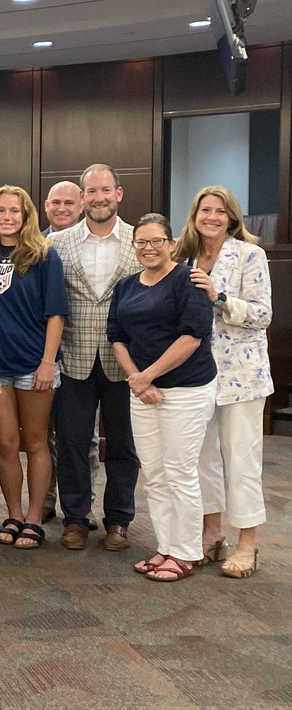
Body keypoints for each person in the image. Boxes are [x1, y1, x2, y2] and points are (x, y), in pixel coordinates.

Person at [108, 213, 216, 582]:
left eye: (157, 241)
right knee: (153, 473)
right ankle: (166, 547)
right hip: (142, 390)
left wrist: (147, 376)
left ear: (171, 244)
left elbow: (193, 336)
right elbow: (116, 336)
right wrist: (137, 380)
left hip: (186, 388)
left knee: (180, 472)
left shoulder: (189, 280)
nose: (149, 248)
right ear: (133, 246)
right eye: (142, 242)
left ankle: (186, 553)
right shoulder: (125, 286)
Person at [177, 186, 273, 579]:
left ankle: (247, 543)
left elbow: (262, 314)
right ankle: (212, 534)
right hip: (195, 374)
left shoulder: (251, 255)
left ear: (232, 218)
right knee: (201, 459)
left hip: (241, 376)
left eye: (220, 211)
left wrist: (219, 298)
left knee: (241, 459)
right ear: (195, 215)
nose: (211, 217)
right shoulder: (184, 258)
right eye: (204, 210)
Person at [49, 164, 141, 553]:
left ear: (118, 194)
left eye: (107, 190)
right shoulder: (57, 244)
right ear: (82, 197)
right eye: (92, 191)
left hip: (128, 364)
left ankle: (119, 519)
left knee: (123, 445)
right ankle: (75, 519)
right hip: (75, 360)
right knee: (70, 443)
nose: (99, 197)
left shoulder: (143, 240)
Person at [0, 186, 67, 549]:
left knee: (36, 441)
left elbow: (55, 314)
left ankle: (33, 518)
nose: (7, 217)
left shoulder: (44, 257)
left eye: (14, 211)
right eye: (0, 211)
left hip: (34, 364)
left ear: (27, 217)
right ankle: (13, 514)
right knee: (7, 443)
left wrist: (47, 362)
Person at [42, 180, 97, 525]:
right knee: (43, 435)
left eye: (68, 202)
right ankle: (45, 500)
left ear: (81, 205)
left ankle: (82, 507)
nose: (61, 208)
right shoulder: (36, 245)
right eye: (55, 203)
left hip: (82, 353)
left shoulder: (92, 241)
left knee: (83, 438)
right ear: (45, 206)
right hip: (45, 354)